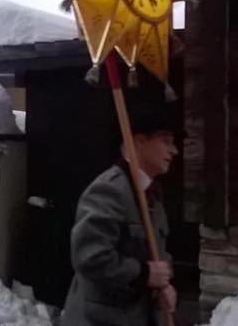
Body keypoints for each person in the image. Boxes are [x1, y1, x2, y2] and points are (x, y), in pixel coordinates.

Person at [61, 104, 179, 326]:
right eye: (166, 141)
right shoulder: (109, 191)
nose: (174, 150)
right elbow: (90, 257)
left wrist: (165, 284)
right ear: (140, 142)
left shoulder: (152, 196)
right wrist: (143, 274)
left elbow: (158, 254)